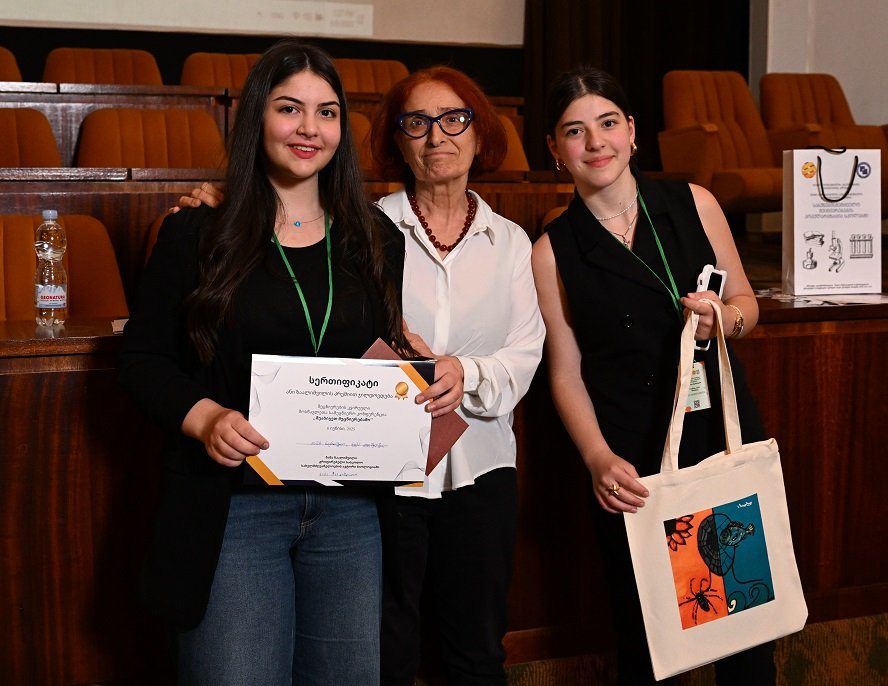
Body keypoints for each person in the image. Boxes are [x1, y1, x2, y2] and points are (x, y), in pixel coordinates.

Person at [118, 39, 459, 685]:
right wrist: (205, 417)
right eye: (289, 108)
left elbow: (384, 346)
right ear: (258, 117)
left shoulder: (376, 238)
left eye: (326, 112)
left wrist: (437, 371)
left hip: (351, 510)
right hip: (234, 507)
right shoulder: (197, 232)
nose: (309, 128)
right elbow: (142, 359)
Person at [531, 66, 775, 685]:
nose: (596, 142)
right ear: (555, 149)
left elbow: (747, 305)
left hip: (720, 442)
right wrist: (596, 457)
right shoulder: (553, 249)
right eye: (575, 131)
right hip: (632, 463)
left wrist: (725, 318)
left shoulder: (694, 202)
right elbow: (565, 372)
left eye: (608, 123)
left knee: (747, 637)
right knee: (653, 647)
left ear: (633, 131)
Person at [369, 66, 545, 685]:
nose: (436, 135)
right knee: (386, 648)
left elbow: (525, 352)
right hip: (386, 469)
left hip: (482, 468)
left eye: (453, 120)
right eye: (416, 122)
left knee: (475, 650)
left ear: (478, 134)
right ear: (399, 141)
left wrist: (462, 372)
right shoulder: (365, 230)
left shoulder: (511, 242)